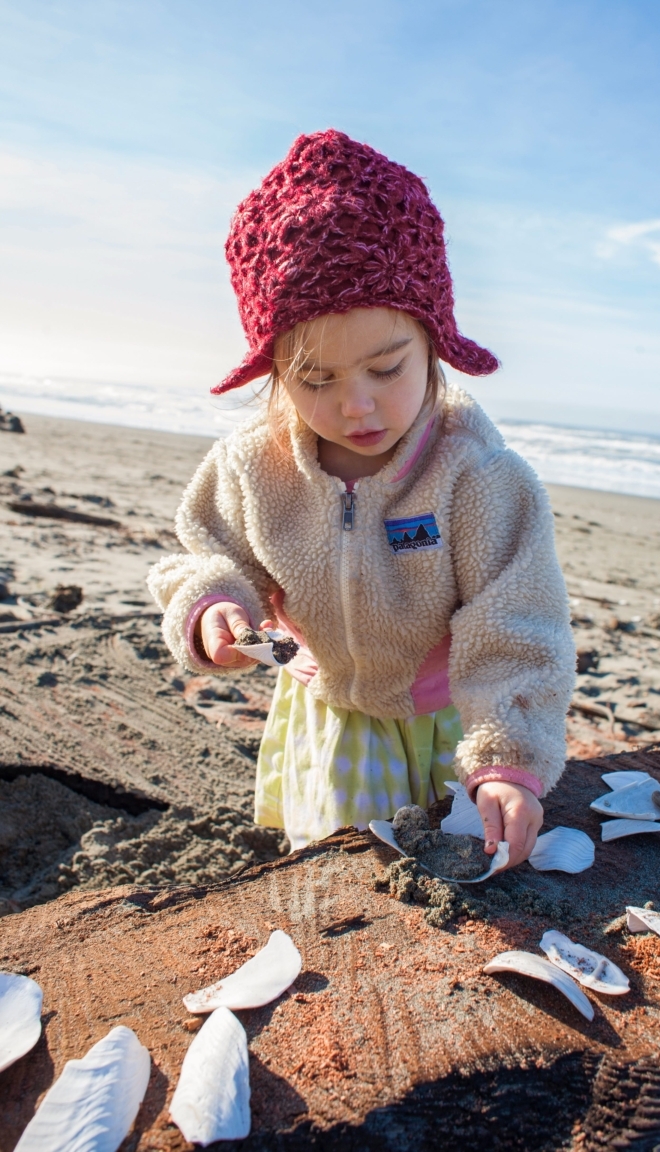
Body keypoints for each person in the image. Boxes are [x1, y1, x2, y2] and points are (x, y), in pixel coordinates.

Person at [148, 130, 575, 861]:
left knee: (452, 877)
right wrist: (218, 603)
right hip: (328, 715)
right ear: (276, 372)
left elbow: (519, 624)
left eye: (386, 369)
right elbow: (211, 551)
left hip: (450, 722)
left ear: (433, 341)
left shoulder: (475, 477)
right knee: (341, 870)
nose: (357, 407)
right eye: (317, 380)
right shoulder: (255, 465)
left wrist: (508, 756)